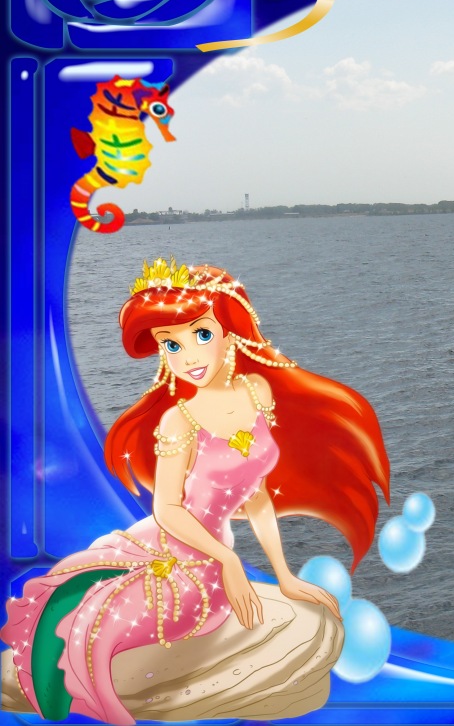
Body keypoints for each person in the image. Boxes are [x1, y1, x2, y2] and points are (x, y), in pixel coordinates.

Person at [2, 259, 390, 724]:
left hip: (211, 555)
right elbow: (167, 507)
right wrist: (228, 561)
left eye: (201, 335)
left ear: (229, 332)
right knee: (90, 624)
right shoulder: (179, 421)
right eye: (171, 344)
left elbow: (257, 496)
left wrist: (284, 575)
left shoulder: (258, 392)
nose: (188, 357)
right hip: (180, 557)